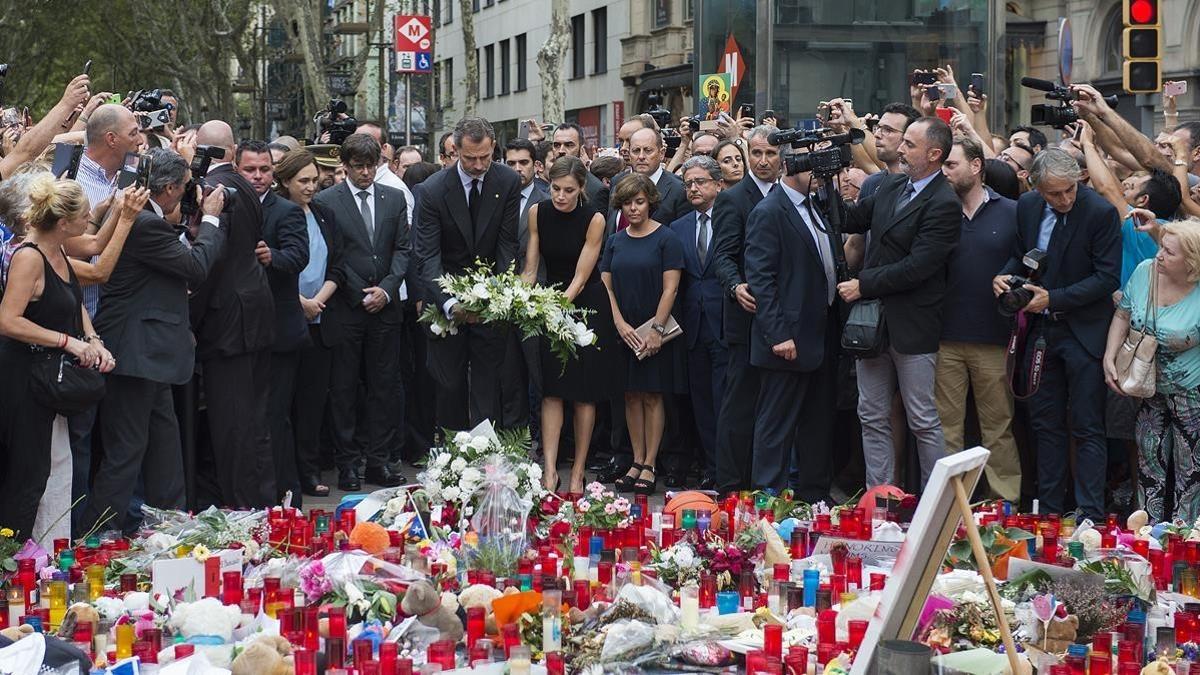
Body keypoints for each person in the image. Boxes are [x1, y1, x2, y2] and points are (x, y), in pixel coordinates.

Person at [85, 150, 226, 532]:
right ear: (167, 188)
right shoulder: (145, 223)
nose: (186, 195)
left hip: (152, 351)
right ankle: (98, 535)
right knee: (126, 451)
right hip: (133, 350)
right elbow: (195, 268)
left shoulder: (146, 214)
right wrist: (210, 217)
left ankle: (172, 524)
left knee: (164, 443)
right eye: (183, 189)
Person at [993, 148, 1121, 519]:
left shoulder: (1100, 212)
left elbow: (1107, 277)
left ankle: (1090, 514)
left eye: (1070, 190)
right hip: (1040, 330)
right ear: (1036, 187)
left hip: (1084, 331)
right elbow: (1022, 256)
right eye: (1054, 193)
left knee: (1086, 425)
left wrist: (1055, 298)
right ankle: (1049, 511)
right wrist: (1004, 275)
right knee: (1044, 423)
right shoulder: (1029, 206)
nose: (1064, 199)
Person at [837, 116, 961, 489]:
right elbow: (852, 218)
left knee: (922, 419)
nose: (901, 149)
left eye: (909, 144)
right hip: (872, 326)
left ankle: (933, 502)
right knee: (870, 414)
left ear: (934, 154)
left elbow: (919, 266)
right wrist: (825, 181)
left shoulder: (944, 202)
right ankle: (881, 499)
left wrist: (864, 284)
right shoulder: (891, 187)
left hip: (912, 325)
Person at [0, 175, 115, 543]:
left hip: (50, 381)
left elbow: (73, 300)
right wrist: (67, 342)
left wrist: (93, 340)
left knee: (59, 470)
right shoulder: (29, 258)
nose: (89, 221)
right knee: (30, 474)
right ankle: (18, 560)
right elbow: (7, 320)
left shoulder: (59, 253)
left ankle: (50, 553)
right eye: (85, 216)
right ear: (64, 223)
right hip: (25, 380)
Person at [312, 133, 410, 491]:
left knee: (384, 387)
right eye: (358, 167)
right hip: (346, 307)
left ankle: (379, 460)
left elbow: (403, 249)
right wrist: (358, 292)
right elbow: (331, 255)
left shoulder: (394, 198)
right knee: (344, 388)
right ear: (346, 166)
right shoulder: (327, 201)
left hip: (386, 308)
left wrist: (387, 288)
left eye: (372, 166)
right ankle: (348, 463)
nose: (366, 173)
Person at [189, 120, 277, 509]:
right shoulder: (243, 186)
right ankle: (261, 500)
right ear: (232, 150)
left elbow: (210, 262)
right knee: (254, 418)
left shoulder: (217, 191)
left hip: (228, 321)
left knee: (233, 422)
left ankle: (244, 506)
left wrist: (191, 316)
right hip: (253, 312)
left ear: (202, 152)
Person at [744, 145, 840, 495]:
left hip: (820, 332)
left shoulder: (817, 205)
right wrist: (778, 334)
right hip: (786, 339)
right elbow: (761, 279)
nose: (817, 169)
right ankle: (767, 497)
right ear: (790, 165)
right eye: (810, 162)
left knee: (817, 421)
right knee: (776, 424)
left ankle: (813, 493)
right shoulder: (769, 211)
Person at [521, 156, 619, 494]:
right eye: (555, 189)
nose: (560, 196)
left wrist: (558, 306)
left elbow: (581, 275)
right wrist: (522, 299)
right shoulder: (538, 213)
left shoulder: (594, 218)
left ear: (582, 190)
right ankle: (550, 470)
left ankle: (578, 472)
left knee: (583, 394)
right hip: (551, 301)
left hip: (586, 305)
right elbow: (531, 267)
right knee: (551, 391)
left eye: (568, 190)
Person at [415, 116, 520, 430]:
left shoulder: (507, 181)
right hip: (446, 303)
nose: (478, 165)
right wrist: (451, 304)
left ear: (493, 150)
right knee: (449, 387)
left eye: (485, 157)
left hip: (491, 302)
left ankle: (487, 461)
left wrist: (496, 298)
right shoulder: (432, 191)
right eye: (470, 158)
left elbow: (506, 246)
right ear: (454, 151)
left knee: (488, 387)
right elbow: (427, 257)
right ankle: (453, 463)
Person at [935, 135, 1021, 502]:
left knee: (997, 428)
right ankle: (950, 506)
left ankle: (1004, 505)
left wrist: (1011, 275)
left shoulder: (1013, 211)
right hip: (944, 338)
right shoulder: (937, 210)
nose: (944, 172)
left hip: (994, 338)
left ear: (976, 166)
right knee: (945, 429)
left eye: (951, 165)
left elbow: (1027, 258)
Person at [1105, 217, 1200, 521]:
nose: (1159, 255)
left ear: (1192, 261)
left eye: (1169, 253)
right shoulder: (1145, 271)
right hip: (1148, 388)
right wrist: (1109, 355)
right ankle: (1148, 537)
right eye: (1161, 247)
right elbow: (1123, 314)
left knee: (1192, 473)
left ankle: (1187, 540)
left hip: (1192, 393)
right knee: (1149, 465)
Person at [600, 173, 686, 495]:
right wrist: (619, 324)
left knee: (652, 395)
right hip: (623, 330)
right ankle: (635, 460)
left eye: (639, 201)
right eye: (627, 203)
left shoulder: (667, 238)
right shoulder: (615, 240)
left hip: (654, 328)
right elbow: (605, 285)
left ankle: (650, 463)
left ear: (650, 201)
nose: (633, 208)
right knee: (629, 395)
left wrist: (656, 331)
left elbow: (671, 288)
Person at [236, 140, 310, 503]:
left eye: (264, 170)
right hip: (241, 332)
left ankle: (287, 494)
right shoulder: (228, 204)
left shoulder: (287, 211)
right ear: (238, 170)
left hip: (281, 332)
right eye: (250, 170)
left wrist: (272, 256)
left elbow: (299, 257)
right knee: (250, 416)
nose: (258, 177)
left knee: (275, 416)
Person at [711, 125, 780, 492]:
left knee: (772, 406)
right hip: (744, 317)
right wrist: (735, 285)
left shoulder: (791, 193)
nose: (763, 160)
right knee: (739, 403)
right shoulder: (733, 198)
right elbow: (721, 254)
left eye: (770, 154)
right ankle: (731, 485)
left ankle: (765, 482)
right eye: (756, 154)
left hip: (780, 318)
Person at [275, 150, 344, 499]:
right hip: (288, 317)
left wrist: (320, 300)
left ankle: (309, 468)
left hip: (321, 318)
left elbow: (338, 265)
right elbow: (272, 265)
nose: (311, 187)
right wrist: (300, 302)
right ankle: (286, 474)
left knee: (313, 402)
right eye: (303, 181)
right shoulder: (274, 214)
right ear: (285, 181)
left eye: (315, 181)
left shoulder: (324, 215)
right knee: (285, 402)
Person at [669, 156, 729, 490]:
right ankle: (710, 468)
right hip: (692, 327)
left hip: (726, 323)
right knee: (702, 403)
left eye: (701, 181)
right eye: (689, 183)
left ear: (719, 184)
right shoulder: (678, 227)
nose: (693, 188)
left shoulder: (734, 219)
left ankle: (728, 469)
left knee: (726, 402)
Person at [506, 138, 549, 433]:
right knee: (508, 377)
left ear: (535, 165)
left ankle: (540, 439)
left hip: (538, 297)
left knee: (539, 375)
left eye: (523, 163)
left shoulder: (547, 200)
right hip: (499, 298)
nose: (517, 169)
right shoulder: (494, 197)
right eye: (511, 163)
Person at [609, 128, 689, 233]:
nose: (641, 156)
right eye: (636, 151)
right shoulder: (617, 182)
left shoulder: (679, 189)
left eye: (648, 150)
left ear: (662, 153)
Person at [550, 123, 605, 211]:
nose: (561, 151)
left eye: (569, 145)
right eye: (556, 145)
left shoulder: (595, 189)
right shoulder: (547, 179)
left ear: (581, 150)